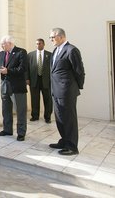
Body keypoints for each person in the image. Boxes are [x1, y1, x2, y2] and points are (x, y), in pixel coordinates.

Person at [48, 28, 85, 156]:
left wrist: (76, 87)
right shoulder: (55, 50)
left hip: (67, 91)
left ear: (61, 36)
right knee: (60, 118)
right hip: (56, 90)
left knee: (69, 119)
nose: (51, 39)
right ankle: (64, 141)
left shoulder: (71, 50)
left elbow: (79, 71)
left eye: (52, 37)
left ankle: (72, 146)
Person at [0, 35, 28, 141]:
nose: (1, 46)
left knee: (20, 110)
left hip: (17, 87)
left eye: (3, 44)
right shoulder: (1, 54)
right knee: (6, 110)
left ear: (9, 43)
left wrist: (8, 71)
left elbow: (23, 69)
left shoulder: (21, 52)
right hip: (4, 86)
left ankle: (21, 132)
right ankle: (7, 130)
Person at [26, 38, 52, 123]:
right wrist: (27, 78)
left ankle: (47, 117)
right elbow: (27, 69)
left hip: (46, 81)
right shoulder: (30, 55)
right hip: (34, 80)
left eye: (40, 43)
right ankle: (35, 116)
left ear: (43, 44)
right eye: (37, 43)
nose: (38, 45)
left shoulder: (50, 55)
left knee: (47, 99)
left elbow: (53, 69)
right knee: (34, 99)